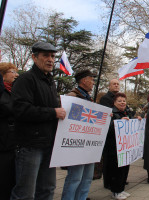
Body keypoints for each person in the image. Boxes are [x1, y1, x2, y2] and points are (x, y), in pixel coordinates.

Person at [11, 41, 66, 200]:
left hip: (48, 144)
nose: (50, 59)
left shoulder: (50, 82)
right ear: (34, 57)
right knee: (25, 193)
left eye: (53, 56)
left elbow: (52, 108)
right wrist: (53, 112)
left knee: (48, 189)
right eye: (46, 55)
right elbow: (21, 109)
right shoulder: (25, 79)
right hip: (30, 145)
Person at [61, 69, 97, 200]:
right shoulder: (72, 97)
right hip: (77, 145)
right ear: (83, 80)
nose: (93, 82)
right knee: (75, 178)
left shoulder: (89, 98)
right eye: (91, 79)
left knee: (87, 178)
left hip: (89, 145)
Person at [103, 93, 131, 199]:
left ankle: (121, 189)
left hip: (125, 146)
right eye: (119, 101)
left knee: (124, 169)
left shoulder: (127, 112)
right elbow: (106, 128)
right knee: (116, 170)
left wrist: (137, 119)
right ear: (114, 102)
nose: (122, 102)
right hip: (113, 147)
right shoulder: (110, 113)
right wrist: (118, 122)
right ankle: (115, 191)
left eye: (124, 101)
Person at [0, 63, 19, 200]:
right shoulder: (3, 93)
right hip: (3, 144)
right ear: (3, 74)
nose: (16, 74)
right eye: (12, 71)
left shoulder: (15, 92)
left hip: (15, 143)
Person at [99, 78, 120, 189]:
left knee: (116, 160)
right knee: (108, 159)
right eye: (114, 84)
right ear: (109, 86)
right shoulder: (105, 99)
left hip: (118, 134)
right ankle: (108, 182)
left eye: (117, 84)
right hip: (108, 133)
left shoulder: (119, 98)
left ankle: (116, 179)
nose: (116, 85)